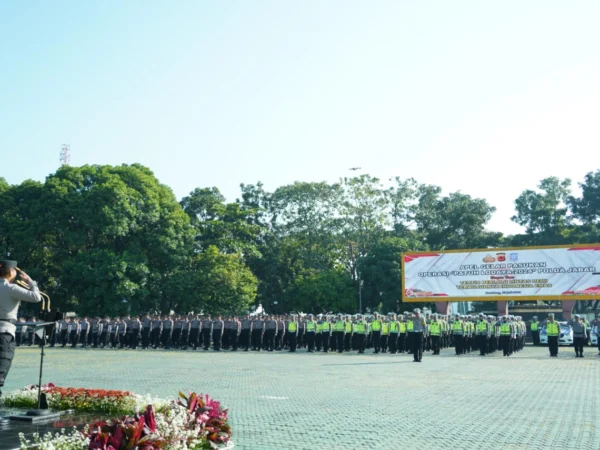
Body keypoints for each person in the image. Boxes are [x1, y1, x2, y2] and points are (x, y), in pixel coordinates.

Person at [0, 261, 42, 407]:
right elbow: (36, 297)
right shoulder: (11, 288)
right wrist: (31, 282)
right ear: (11, 272)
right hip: (4, 333)